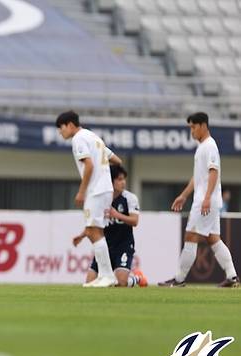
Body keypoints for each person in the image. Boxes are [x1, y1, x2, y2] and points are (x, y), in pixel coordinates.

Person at [159, 112, 239, 287]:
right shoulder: (202, 147)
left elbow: (213, 171)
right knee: (213, 239)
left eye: (193, 127)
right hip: (207, 199)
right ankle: (232, 277)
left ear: (203, 126)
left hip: (205, 201)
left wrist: (207, 198)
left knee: (191, 235)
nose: (192, 131)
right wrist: (184, 195)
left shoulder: (209, 146)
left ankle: (179, 279)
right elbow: (199, 177)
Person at [56, 110, 122, 287]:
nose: (60, 132)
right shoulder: (93, 137)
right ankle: (104, 275)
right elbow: (117, 160)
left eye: (61, 128)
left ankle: (107, 275)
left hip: (96, 190)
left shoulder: (78, 139)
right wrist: (106, 172)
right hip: (105, 189)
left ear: (70, 125)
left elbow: (89, 165)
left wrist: (81, 191)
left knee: (94, 231)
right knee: (96, 231)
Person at [73, 165, 147, 287]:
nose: (123, 182)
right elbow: (94, 223)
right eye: (119, 179)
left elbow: (135, 221)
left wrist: (116, 214)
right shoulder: (101, 199)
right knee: (89, 283)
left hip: (123, 245)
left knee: (121, 283)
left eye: (124, 179)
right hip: (105, 247)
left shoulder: (129, 198)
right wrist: (82, 236)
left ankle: (137, 278)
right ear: (111, 181)